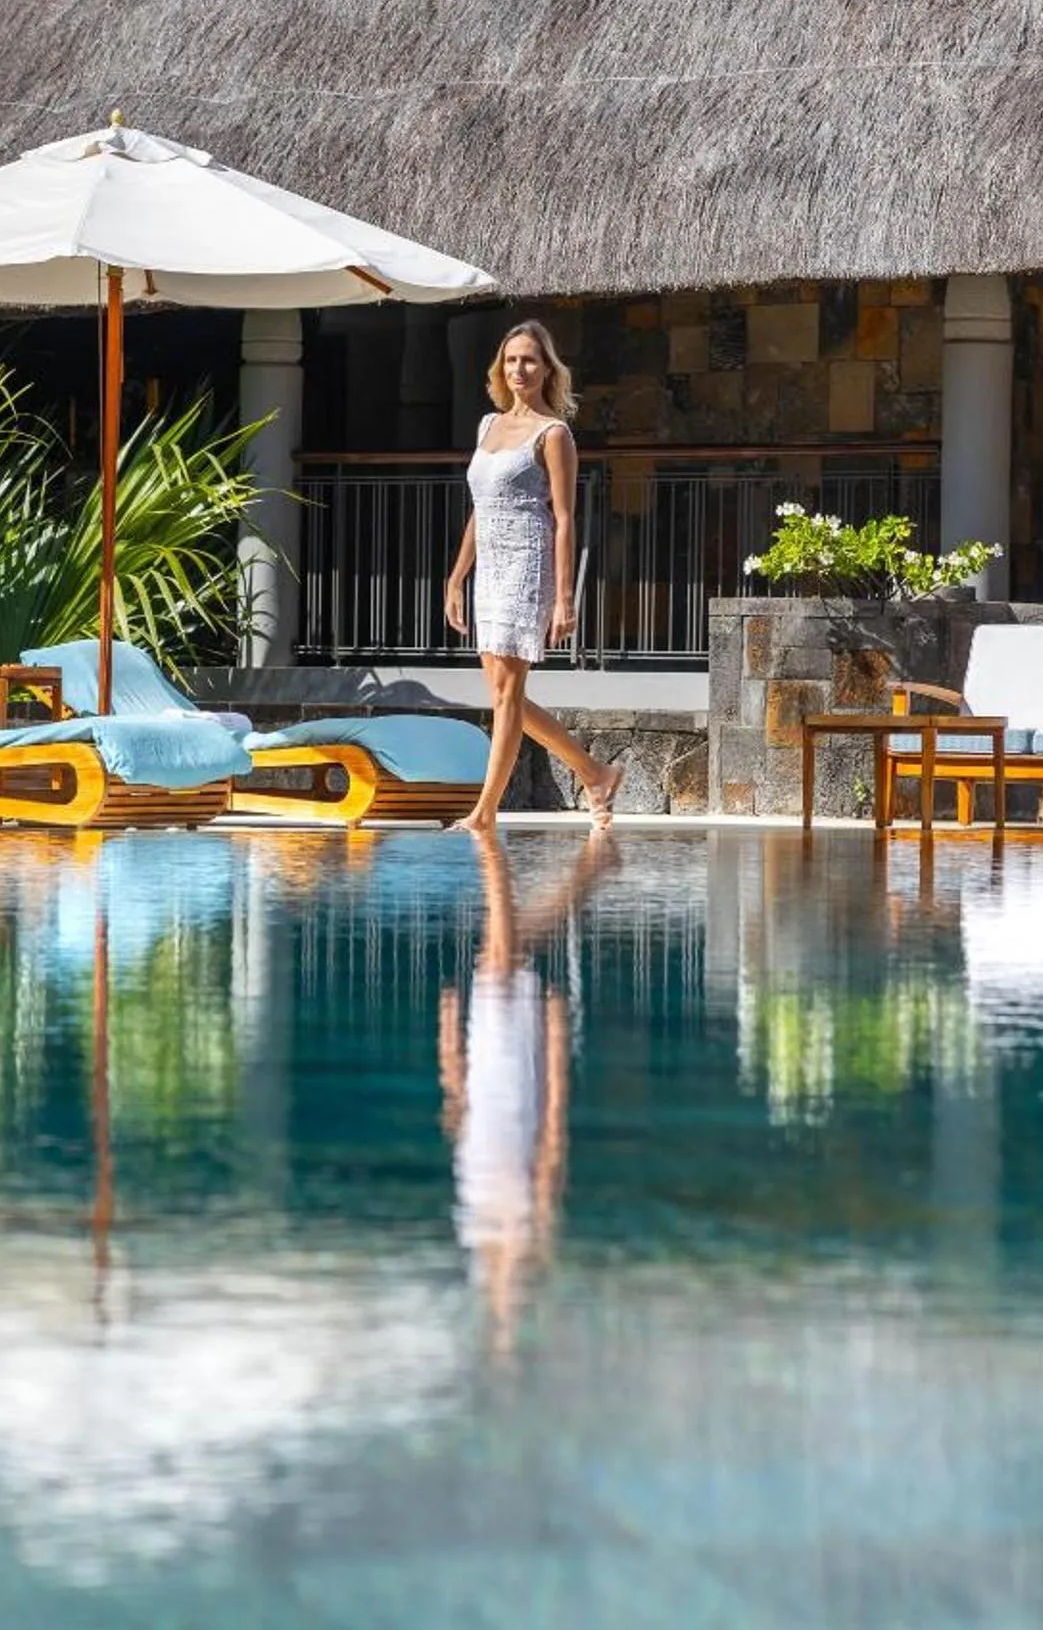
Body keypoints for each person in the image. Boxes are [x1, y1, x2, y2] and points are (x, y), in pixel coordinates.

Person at [439, 827, 614, 1357]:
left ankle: (530, 861)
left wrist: (448, 1043)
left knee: (499, 952)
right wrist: (557, 1032)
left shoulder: (474, 1229)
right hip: (515, 1062)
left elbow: (461, 1120)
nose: (505, 1280)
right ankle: (493, 849)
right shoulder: (536, 1222)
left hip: (490, 1063)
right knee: (499, 952)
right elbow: (554, 1122)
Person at [442, 320, 624, 830]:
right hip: (490, 568)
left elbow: (565, 519)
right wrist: (457, 577)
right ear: (500, 368)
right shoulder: (488, 426)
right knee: (504, 693)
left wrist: (565, 598)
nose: (519, 368)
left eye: (529, 360)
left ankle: (484, 813)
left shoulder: (554, 433)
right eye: (511, 360)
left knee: (506, 694)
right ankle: (595, 773)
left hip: (527, 563)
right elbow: (482, 508)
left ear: (547, 369)